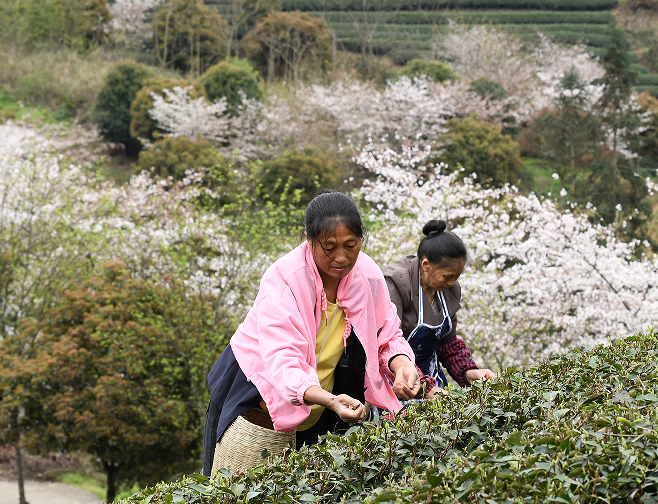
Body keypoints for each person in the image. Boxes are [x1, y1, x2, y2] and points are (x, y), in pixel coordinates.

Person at [202, 192, 423, 477]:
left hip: (322, 400)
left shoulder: (367, 276)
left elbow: (387, 333)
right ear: (308, 238)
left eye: (351, 245)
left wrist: (402, 363)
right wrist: (329, 399)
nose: (341, 257)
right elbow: (283, 363)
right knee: (236, 498)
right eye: (329, 248)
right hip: (258, 396)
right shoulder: (284, 280)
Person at [383, 219, 497, 398]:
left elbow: (447, 342)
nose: (452, 282)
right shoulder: (395, 284)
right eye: (447, 276)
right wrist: (425, 388)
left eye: (456, 277)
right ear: (426, 265)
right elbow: (386, 345)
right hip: (395, 379)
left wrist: (468, 372)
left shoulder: (449, 289)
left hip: (430, 375)